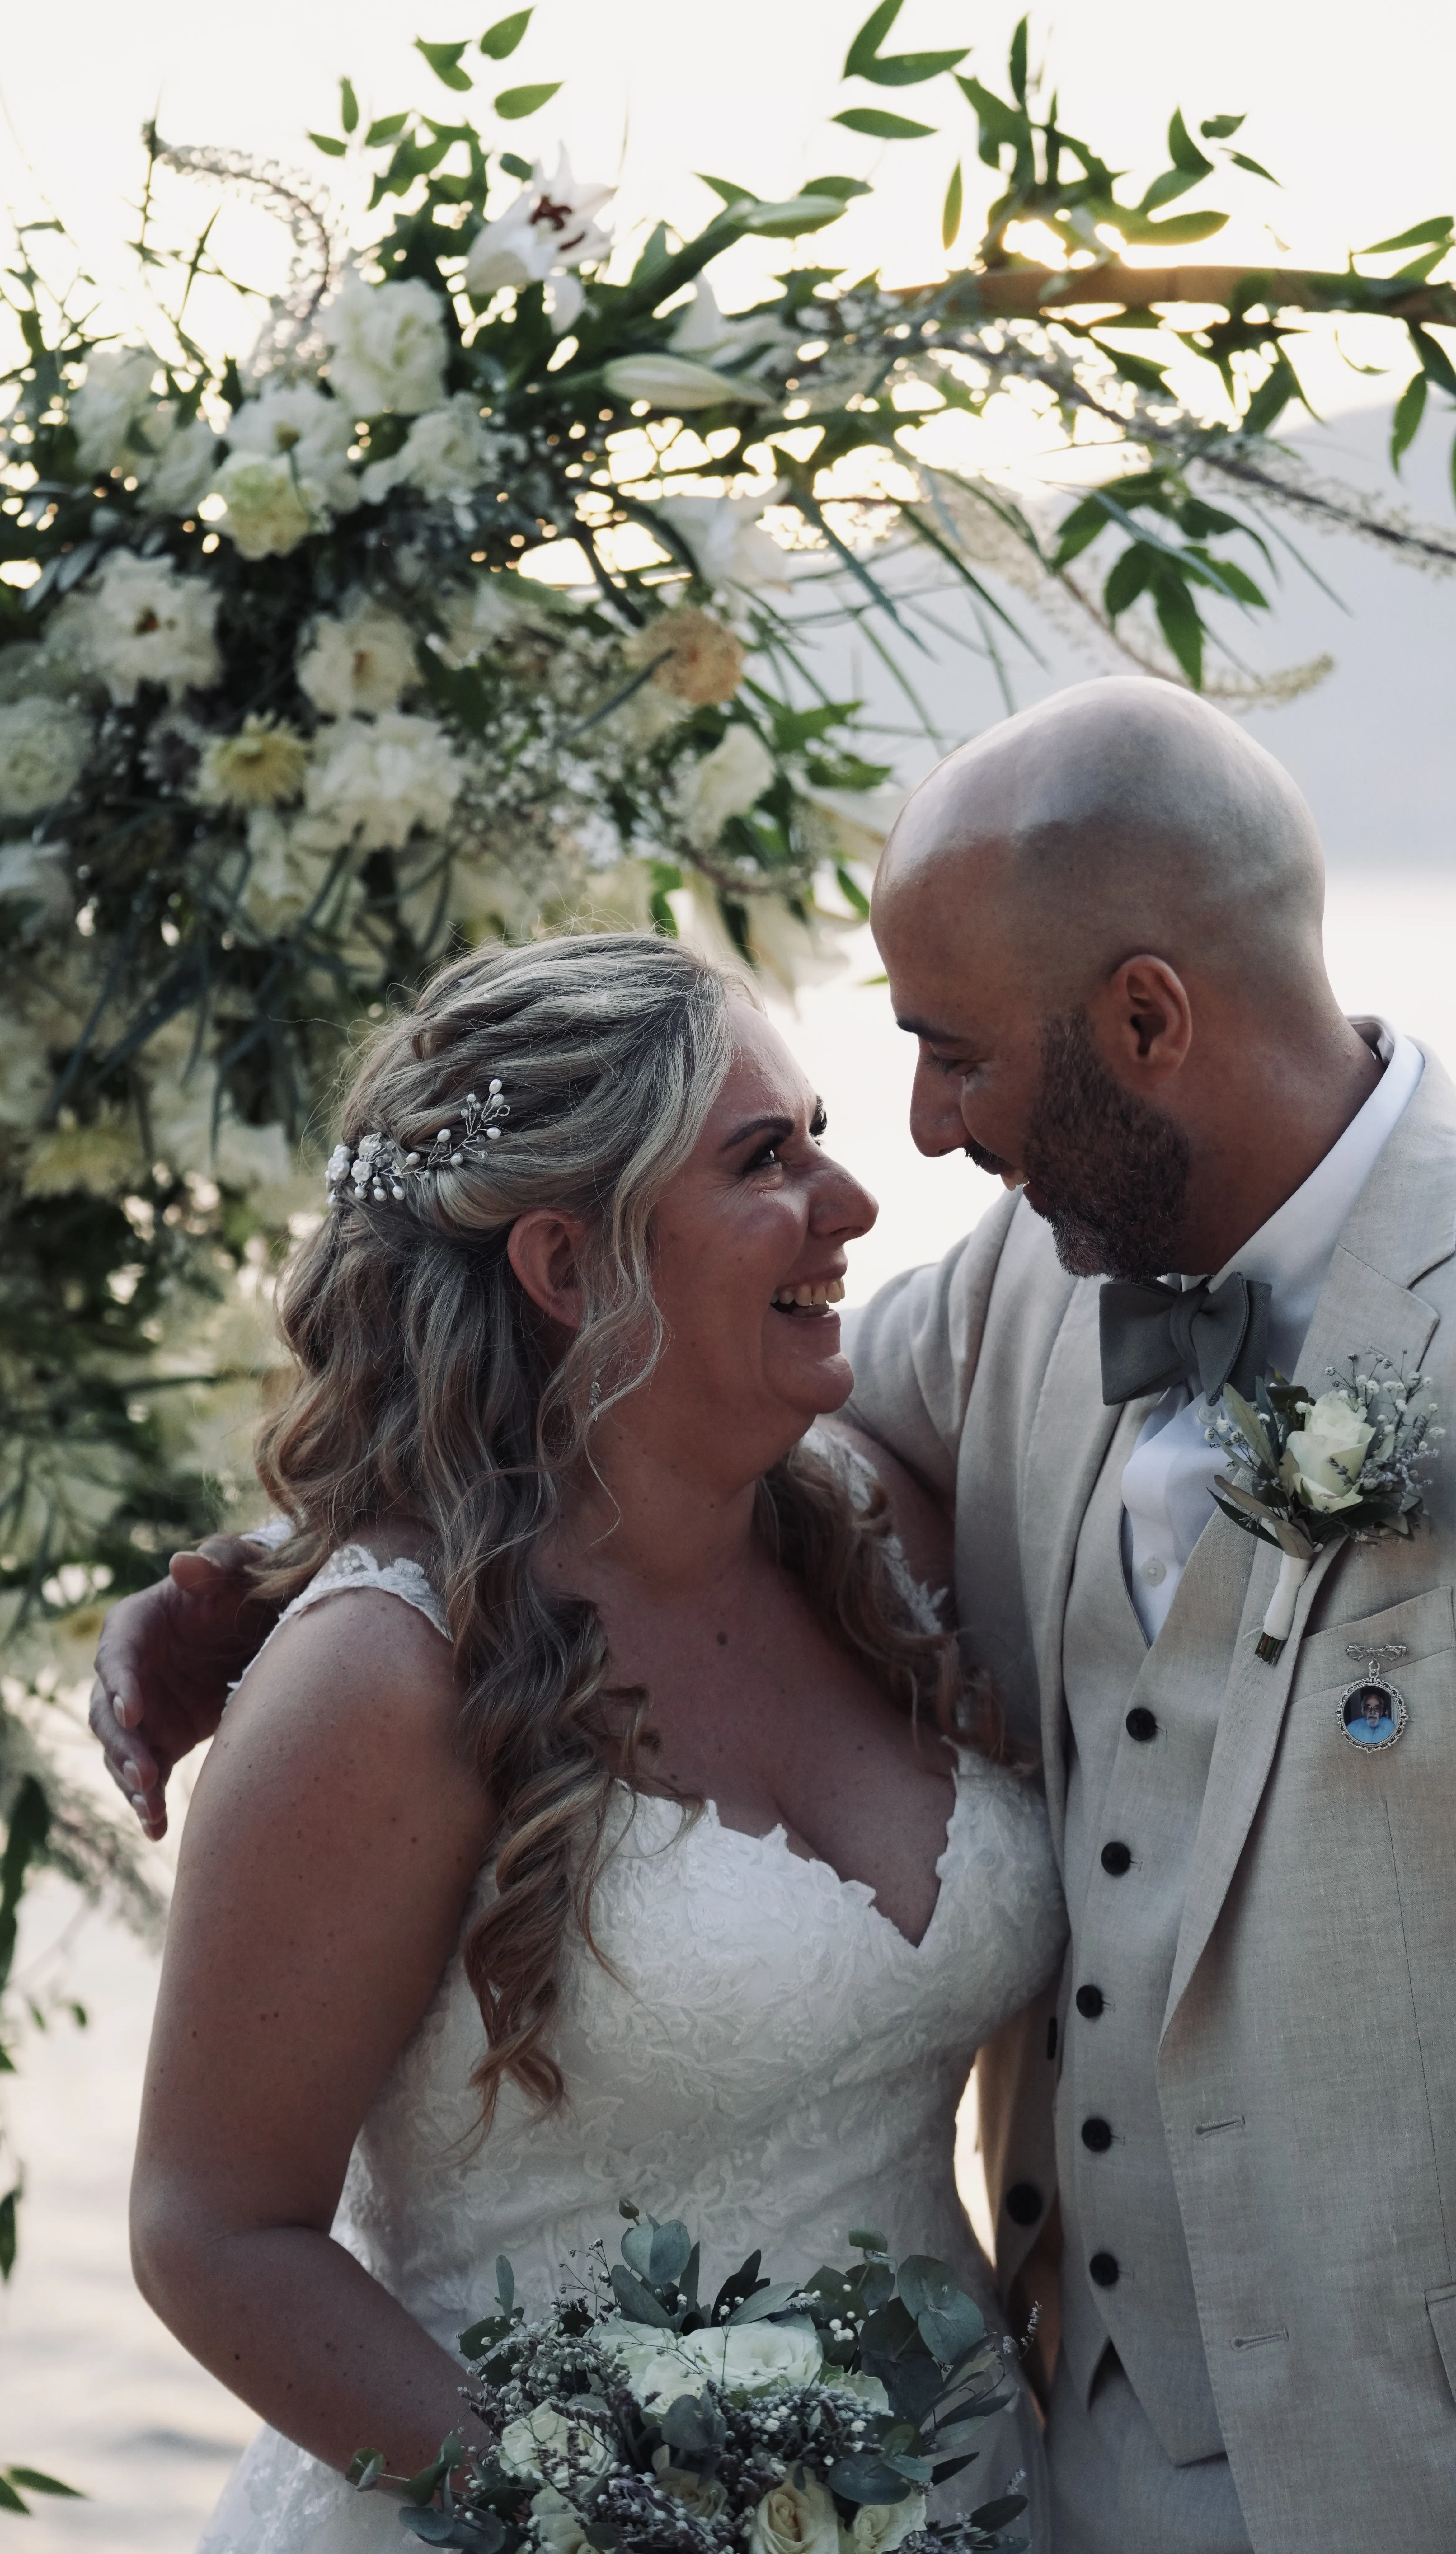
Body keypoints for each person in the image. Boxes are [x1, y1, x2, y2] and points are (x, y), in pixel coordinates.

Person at [100, 680, 1456, 2554]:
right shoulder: (1042, 1294)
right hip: (1076, 2490)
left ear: (1146, 1018)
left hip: (1453, 2494)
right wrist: (292, 1591)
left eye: (951, 1054)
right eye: (791, 1137)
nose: (920, 1144)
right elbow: (609, 1435)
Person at [120, 931, 1064, 2552]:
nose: (850, 1205)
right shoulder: (381, 1681)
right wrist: (614, 2524)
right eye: (765, 1160)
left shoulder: (877, 1527)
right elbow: (214, 2234)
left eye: (820, 1138)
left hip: (965, 2504)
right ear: (568, 1267)